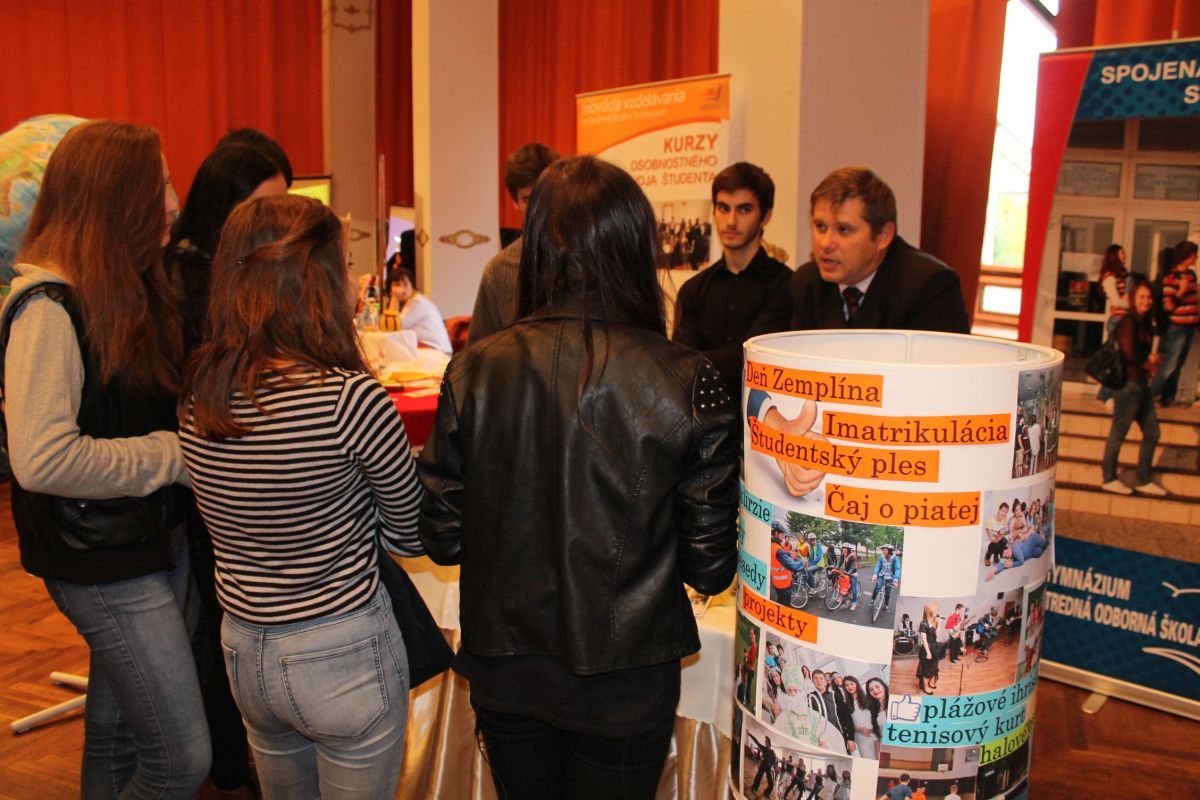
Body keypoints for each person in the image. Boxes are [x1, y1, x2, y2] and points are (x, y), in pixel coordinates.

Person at [417, 156, 739, 800]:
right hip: (627, 679)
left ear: (538, 246)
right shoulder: (686, 377)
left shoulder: (474, 370)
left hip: (509, 670)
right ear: (635, 247)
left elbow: (443, 538)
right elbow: (710, 569)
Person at [179, 194, 425, 798]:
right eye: (345, 264)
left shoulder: (199, 397)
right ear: (315, 282)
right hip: (341, 648)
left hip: (245, 647)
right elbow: (411, 534)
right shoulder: (349, 400)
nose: (354, 281)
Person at [2, 120, 210, 796]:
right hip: (101, 557)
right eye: (159, 186)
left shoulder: (120, 289)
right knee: (181, 759)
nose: (173, 202)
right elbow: (41, 459)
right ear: (116, 200)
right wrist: (171, 455)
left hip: (143, 540)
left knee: (119, 739)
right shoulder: (47, 308)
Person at [164, 140, 289, 797]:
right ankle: (233, 766)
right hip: (207, 471)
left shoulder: (232, 267)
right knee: (217, 621)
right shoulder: (190, 274)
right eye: (263, 205)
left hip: (226, 462)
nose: (275, 222)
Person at [789, 167, 970, 333]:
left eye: (843, 230)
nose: (825, 244)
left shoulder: (929, 286)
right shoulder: (808, 283)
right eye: (820, 227)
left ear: (883, 235)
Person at [672, 162, 792, 397]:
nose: (731, 221)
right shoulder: (693, 290)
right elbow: (679, 364)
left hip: (761, 415)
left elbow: (754, 358)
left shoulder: (785, 285)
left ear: (765, 216)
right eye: (723, 208)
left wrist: (697, 361)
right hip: (700, 415)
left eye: (744, 210)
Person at [468, 142, 560, 343]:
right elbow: (478, 351)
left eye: (544, 195)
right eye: (527, 199)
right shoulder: (498, 271)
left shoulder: (590, 259)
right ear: (514, 202)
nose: (537, 207)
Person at [1101, 280, 1167, 496]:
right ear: (1133, 299)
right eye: (1141, 297)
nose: (1146, 301)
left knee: (1153, 432)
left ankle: (1143, 479)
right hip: (1128, 385)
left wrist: (1151, 362)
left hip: (1141, 385)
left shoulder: (1144, 322)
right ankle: (1109, 478)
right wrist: (1149, 363)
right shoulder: (1128, 322)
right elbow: (1129, 353)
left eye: (1149, 297)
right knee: (1118, 433)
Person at [1151, 240, 1199, 406]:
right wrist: (1181, 292)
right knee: (1171, 362)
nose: (1196, 258)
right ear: (1186, 256)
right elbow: (1168, 306)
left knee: (1179, 364)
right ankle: (1152, 394)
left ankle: (1168, 396)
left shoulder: (1191, 275)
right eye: (1194, 255)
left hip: (1190, 325)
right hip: (1177, 326)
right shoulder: (1171, 277)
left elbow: (1194, 301)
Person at [387, 265, 453, 353]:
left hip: (438, 351)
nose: (402, 289)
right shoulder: (411, 301)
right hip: (430, 349)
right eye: (397, 285)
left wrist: (394, 297)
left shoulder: (417, 302)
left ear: (412, 285)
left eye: (405, 284)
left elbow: (394, 327)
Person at [1098, 244, 1130, 401]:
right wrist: (1132, 304)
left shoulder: (1122, 275)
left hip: (1123, 321)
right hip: (1118, 321)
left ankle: (1107, 393)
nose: (1125, 256)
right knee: (1115, 359)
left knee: (1119, 359)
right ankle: (1105, 394)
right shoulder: (1110, 277)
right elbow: (1116, 301)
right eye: (1122, 253)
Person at [842, 675, 877, 758]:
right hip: (861, 738)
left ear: (856, 684)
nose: (849, 687)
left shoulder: (868, 698)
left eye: (851, 684)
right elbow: (848, 723)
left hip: (876, 735)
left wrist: (874, 729)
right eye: (846, 685)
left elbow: (877, 716)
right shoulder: (846, 705)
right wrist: (859, 729)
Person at [917, 603, 939, 694]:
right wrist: (928, 652)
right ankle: (925, 687)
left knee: (934, 666)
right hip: (927, 648)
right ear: (930, 612)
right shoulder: (923, 624)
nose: (937, 612)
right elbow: (924, 641)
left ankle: (931, 682)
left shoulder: (935, 621)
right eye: (935, 610)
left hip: (935, 647)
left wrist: (939, 623)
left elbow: (938, 636)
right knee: (926, 669)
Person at [872, 543, 902, 611]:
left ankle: (886, 605)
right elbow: (878, 566)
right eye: (882, 550)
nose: (883, 552)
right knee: (877, 587)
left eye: (885, 550)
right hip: (881, 575)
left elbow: (897, 569)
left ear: (890, 551)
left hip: (890, 577)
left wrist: (895, 580)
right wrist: (875, 575)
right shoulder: (881, 557)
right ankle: (873, 599)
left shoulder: (895, 558)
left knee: (888, 591)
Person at [866, 677, 889, 753]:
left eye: (877, 686)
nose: (875, 691)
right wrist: (878, 757)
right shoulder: (873, 711)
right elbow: (877, 738)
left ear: (883, 686)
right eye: (871, 689)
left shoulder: (895, 703)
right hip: (885, 750)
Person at [983, 501, 1010, 567]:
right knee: (996, 544)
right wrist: (1000, 536)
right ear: (999, 510)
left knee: (1004, 541)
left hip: (998, 540)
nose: (1004, 513)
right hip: (991, 543)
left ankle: (998, 557)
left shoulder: (1005, 521)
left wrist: (1002, 534)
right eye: (1002, 510)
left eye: (1006, 512)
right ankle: (987, 557)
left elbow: (1005, 533)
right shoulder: (991, 520)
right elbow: (992, 539)